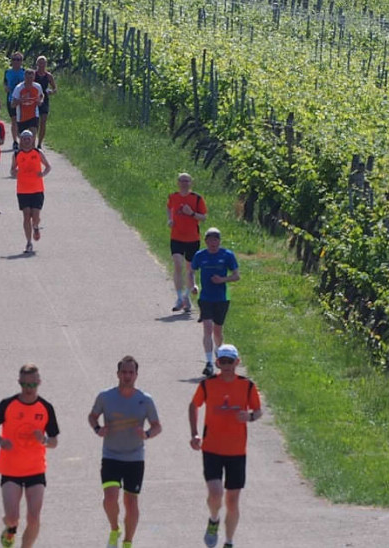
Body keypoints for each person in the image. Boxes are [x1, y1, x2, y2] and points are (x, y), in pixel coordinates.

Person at [188, 344, 262, 548]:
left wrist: (249, 416)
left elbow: (258, 411)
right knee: (215, 492)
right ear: (218, 362)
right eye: (223, 362)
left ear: (237, 362)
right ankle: (213, 520)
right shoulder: (208, 384)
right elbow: (194, 405)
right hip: (212, 448)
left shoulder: (247, 385)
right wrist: (194, 433)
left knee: (232, 500)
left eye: (231, 362)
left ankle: (229, 541)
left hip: (237, 451)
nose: (227, 366)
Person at [88, 356, 162, 548]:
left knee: (131, 502)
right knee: (110, 498)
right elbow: (92, 416)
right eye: (124, 372)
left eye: (131, 372)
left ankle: (128, 542)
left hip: (135, 458)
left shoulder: (144, 400)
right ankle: (115, 529)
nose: (127, 376)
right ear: (118, 374)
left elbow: (157, 426)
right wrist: (98, 429)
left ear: (136, 375)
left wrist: (146, 434)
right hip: (111, 455)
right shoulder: (105, 397)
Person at [0, 364, 60, 548]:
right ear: (19, 383)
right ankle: (10, 529)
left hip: (35, 470)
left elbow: (54, 441)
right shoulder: (7, 404)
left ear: (39, 383)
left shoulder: (46, 408)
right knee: (13, 518)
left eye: (32, 385)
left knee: (34, 519)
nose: (28, 390)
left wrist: (43, 440)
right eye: (25, 385)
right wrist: (0, 440)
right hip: (11, 469)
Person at [189, 228, 240, 377]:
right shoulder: (200, 256)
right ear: (206, 241)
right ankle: (209, 363)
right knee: (208, 328)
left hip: (222, 298)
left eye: (216, 239)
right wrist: (193, 285)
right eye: (210, 240)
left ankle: (219, 351)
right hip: (205, 298)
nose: (213, 243)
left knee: (218, 331)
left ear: (219, 241)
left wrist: (222, 280)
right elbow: (191, 271)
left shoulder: (227, 255)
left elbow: (236, 276)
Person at [168, 173, 208, 313]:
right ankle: (179, 298)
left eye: (187, 181)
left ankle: (187, 297)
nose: (184, 183)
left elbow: (203, 217)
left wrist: (191, 213)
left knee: (190, 270)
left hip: (192, 239)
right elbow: (169, 208)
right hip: (176, 237)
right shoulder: (173, 197)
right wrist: (170, 220)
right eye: (181, 181)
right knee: (178, 265)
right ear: (178, 182)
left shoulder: (197, 198)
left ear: (191, 183)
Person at [10, 130, 50, 254]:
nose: (26, 141)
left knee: (35, 216)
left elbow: (48, 166)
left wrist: (42, 174)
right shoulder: (17, 154)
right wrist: (14, 173)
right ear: (21, 140)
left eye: (28, 139)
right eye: (24, 139)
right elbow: (12, 169)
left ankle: (36, 227)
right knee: (26, 215)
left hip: (37, 189)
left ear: (32, 140)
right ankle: (28, 242)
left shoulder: (37, 152)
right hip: (22, 190)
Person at [9, 68, 45, 145]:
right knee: (23, 140)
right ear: (24, 77)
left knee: (32, 137)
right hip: (22, 117)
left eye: (31, 78)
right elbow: (12, 104)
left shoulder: (37, 86)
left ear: (34, 77)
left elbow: (41, 95)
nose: (29, 80)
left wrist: (40, 101)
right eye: (27, 78)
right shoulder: (19, 88)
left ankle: (33, 154)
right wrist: (20, 101)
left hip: (33, 115)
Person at [3, 53, 26, 149]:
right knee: (13, 120)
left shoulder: (24, 72)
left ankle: (23, 138)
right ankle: (15, 141)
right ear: (11, 61)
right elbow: (5, 83)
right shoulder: (8, 72)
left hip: (23, 99)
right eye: (14, 59)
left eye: (19, 59)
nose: (16, 62)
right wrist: (6, 88)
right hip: (11, 98)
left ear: (21, 61)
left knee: (22, 119)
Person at [33, 56, 56, 149]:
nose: (42, 65)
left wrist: (51, 91)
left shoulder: (48, 76)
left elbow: (55, 88)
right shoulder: (33, 74)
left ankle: (39, 143)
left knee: (43, 121)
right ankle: (33, 141)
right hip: (35, 100)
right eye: (40, 63)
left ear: (46, 64)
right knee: (35, 122)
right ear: (37, 64)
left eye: (44, 63)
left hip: (45, 100)